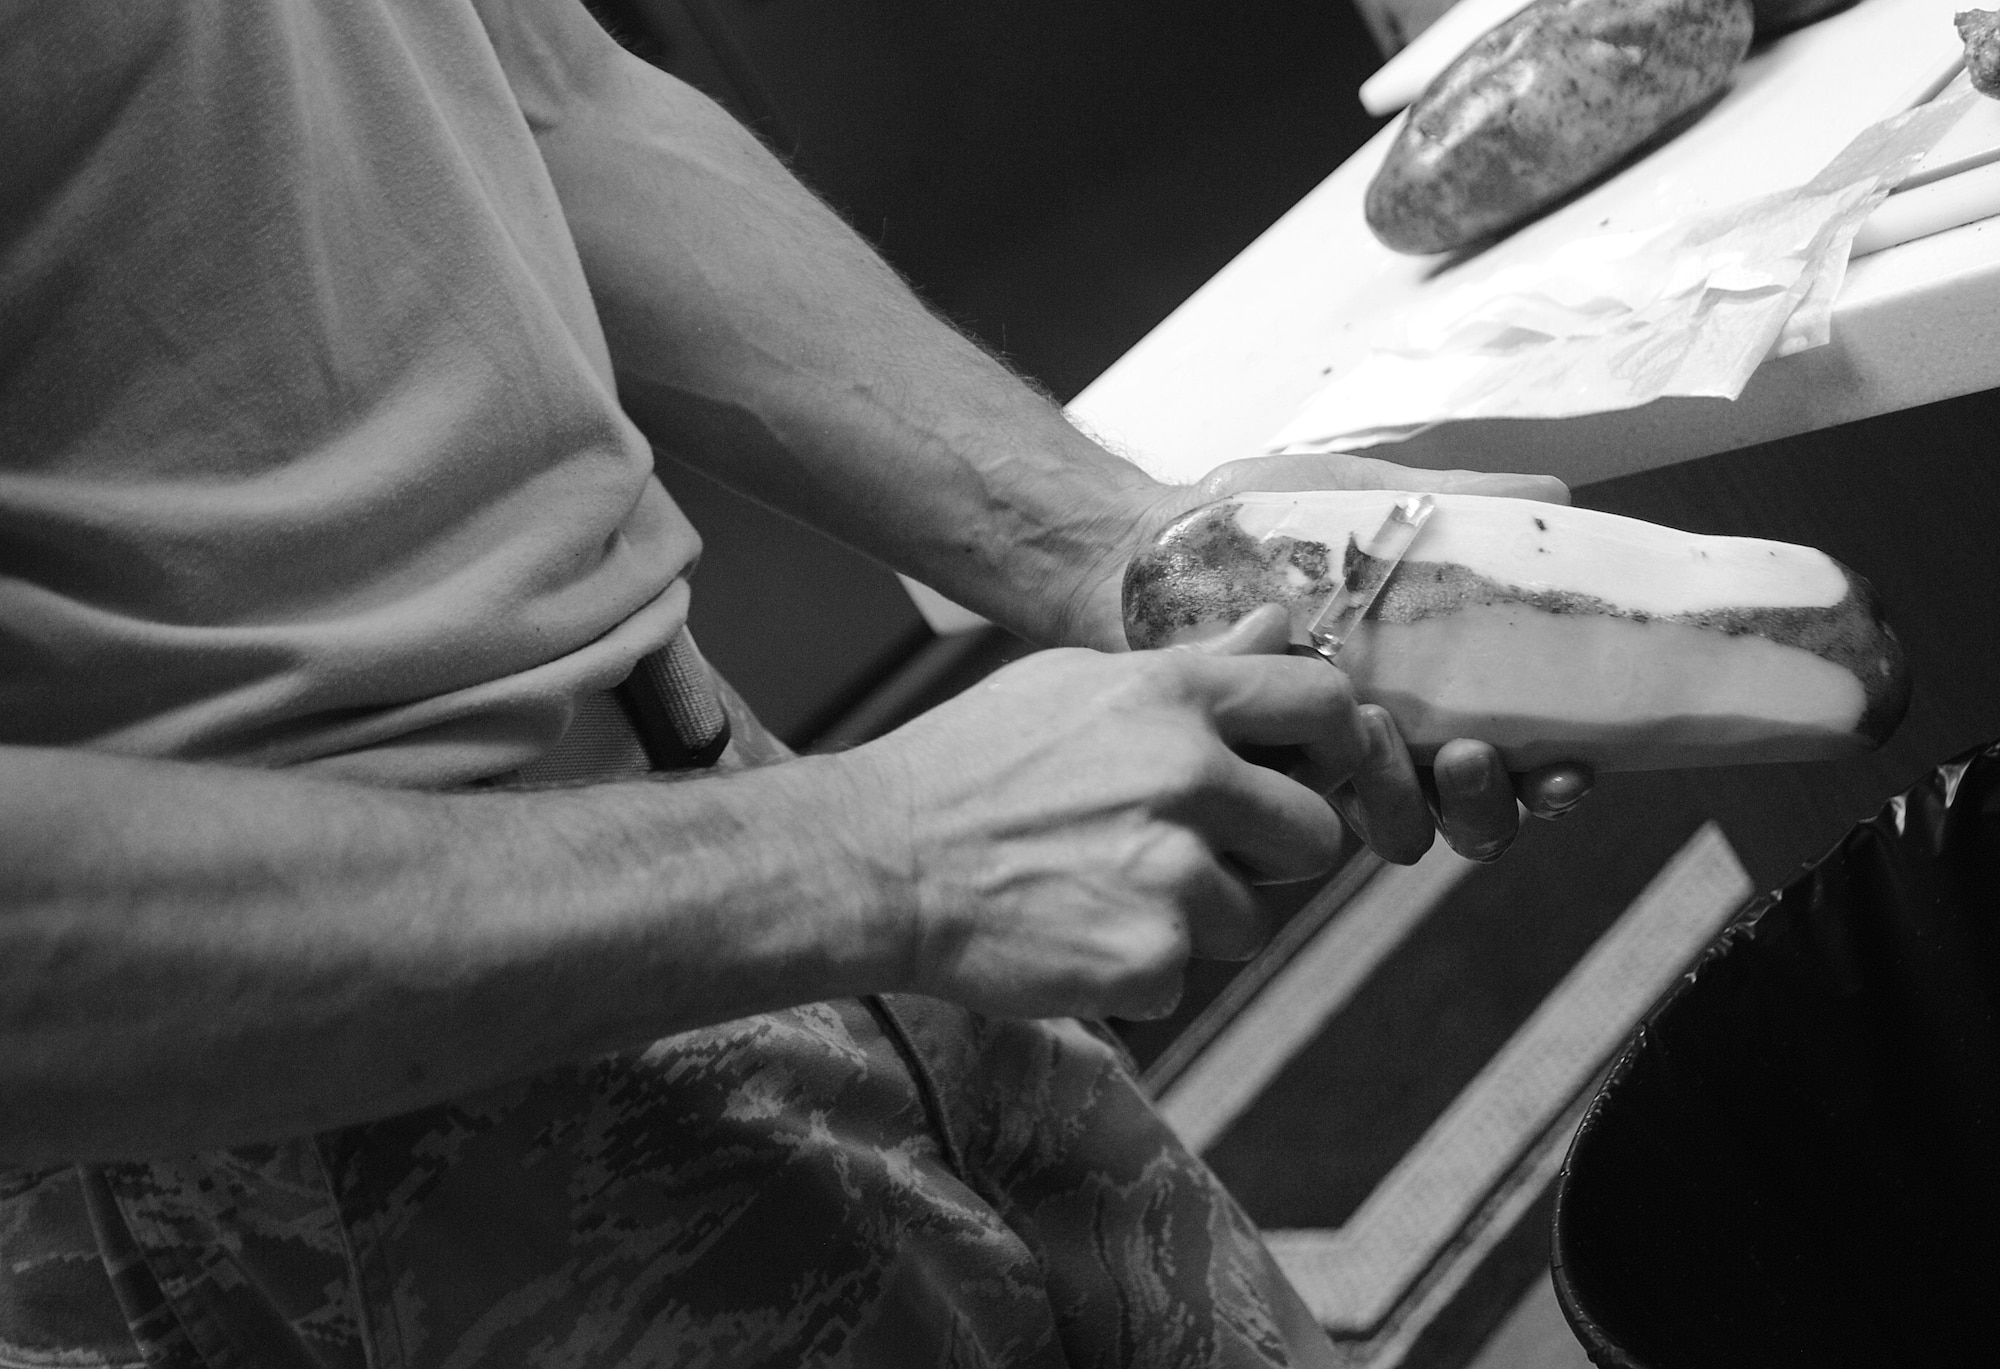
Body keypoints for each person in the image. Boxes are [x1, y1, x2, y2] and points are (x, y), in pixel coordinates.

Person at [0, 2, 1588, 1365]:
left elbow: (546, 99)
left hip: (740, 832)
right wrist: (874, 848)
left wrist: (1135, 550)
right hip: (285, 1154)